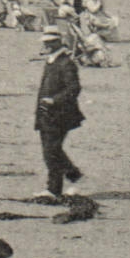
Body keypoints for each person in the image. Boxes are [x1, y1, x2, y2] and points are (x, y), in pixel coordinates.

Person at [34, 26, 84, 201]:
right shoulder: (52, 61)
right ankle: (67, 179)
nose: (45, 45)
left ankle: (57, 187)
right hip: (47, 114)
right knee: (52, 150)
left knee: (51, 150)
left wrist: (54, 100)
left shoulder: (65, 63)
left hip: (60, 114)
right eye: (45, 42)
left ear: (57, 43)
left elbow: (74, 88)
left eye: (48, 43)